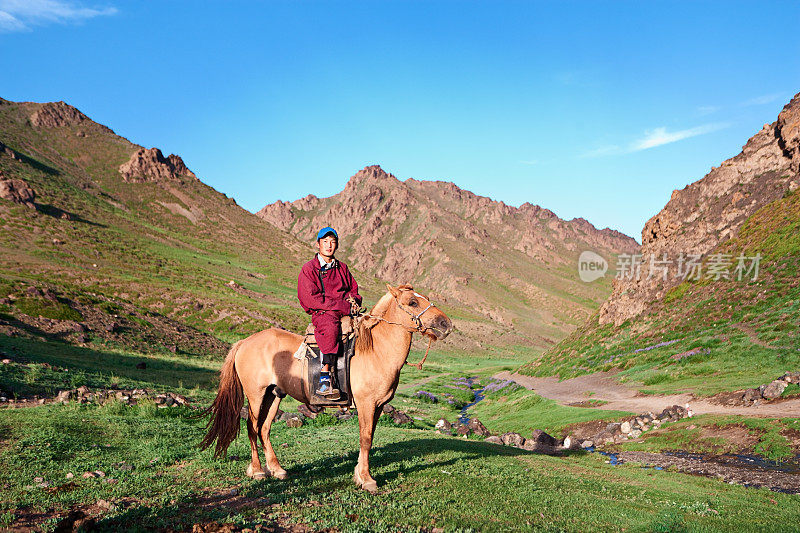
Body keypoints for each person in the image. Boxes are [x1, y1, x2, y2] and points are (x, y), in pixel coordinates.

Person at [297, 227, 362, 399]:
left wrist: (353, 302)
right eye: (325, 242)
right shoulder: (309, 268)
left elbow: (353, 290)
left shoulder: (342, 268)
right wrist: (340, 306)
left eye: (332, 242)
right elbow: (310, 298)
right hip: (322, 312)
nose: (329, 245)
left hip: (343, 310)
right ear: (318, 244)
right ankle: (324, 379)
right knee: (331, 328)